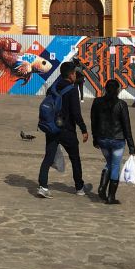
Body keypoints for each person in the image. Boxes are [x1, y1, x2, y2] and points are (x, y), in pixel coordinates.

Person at [36, 61, 90, 198]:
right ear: (71, 74)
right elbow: (76, 113)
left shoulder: (54, 86)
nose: (75, 75)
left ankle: (43, 186)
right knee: (75, 159)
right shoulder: (72, 90)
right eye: (74, 73)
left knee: (48, 157)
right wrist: (83, 129)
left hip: (52, 128)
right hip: (67, 130)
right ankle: (79, 187)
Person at [90, 79, 135, 205]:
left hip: (102, 139)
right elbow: (127, 126)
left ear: (105, 89)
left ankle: (102, 187)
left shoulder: (97, 102)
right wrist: (131, 146)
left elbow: (93, 122)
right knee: (115, 166)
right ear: (118, 90)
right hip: (118, 140)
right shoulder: (121, 104)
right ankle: (111, 196)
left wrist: (95, 138)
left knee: (109, 163)